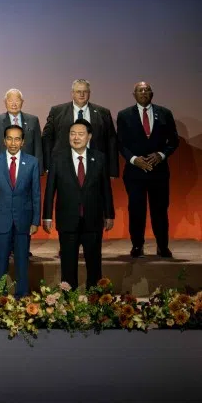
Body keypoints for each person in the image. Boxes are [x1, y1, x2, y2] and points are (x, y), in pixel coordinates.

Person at [43, 119, 115, 290]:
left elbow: (106, 188)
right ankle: (69, 300)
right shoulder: (58, 158)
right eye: (72, 134)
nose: (76, 137)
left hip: (93, 220)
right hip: (67, 220)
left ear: (89, 136)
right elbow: (50, 189)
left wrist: (109, 214)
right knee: (68, 265)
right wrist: (47, 216)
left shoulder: (99, 158)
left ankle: (95, 299)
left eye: (80, 134)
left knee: (94, 265)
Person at [117, 82, 179, 258]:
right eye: (140, 90)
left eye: (146, 90)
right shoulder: (124, 115)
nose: (143, 92)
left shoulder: (165, 113)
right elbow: (120, 143)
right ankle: (137, 245)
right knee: (136, 210)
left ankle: (162, 246)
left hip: (159, 172)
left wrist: (161, 155)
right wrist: (134, 160)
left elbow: (173, 141)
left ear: (152, 93)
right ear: (134, 94)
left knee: (160, 210)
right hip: (134, 172)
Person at [0, 125, 40, 298]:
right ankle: (0, 297)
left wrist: (35, 220)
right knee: (1, 261)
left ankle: (22, 296)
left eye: (17, 139)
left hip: (24, 219)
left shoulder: (32, 162)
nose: (13, 143)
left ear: (23, 142)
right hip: (0, 220)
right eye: (9, 138)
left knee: (22, 261)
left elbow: (36, 193)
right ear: (4, 141)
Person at [42, 79, 118, 178]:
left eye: (85, 91)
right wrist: (48, 165)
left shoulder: (103, 113)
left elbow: (111, 141)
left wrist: (112, 171)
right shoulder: (57, 111)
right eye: (78, 91)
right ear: (72, 93)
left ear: (89, 93)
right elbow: (47, 138)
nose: (82, 94)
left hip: (95, 166)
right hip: (63, 166)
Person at [0, 88, 43, 174]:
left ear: (22, 102)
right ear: (5, 102)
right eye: (10, 101)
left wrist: (39, 169)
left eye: (17, 100)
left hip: (28, 168)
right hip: (3, 168)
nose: (14, 104)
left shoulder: (33, 120)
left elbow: (38, 147)